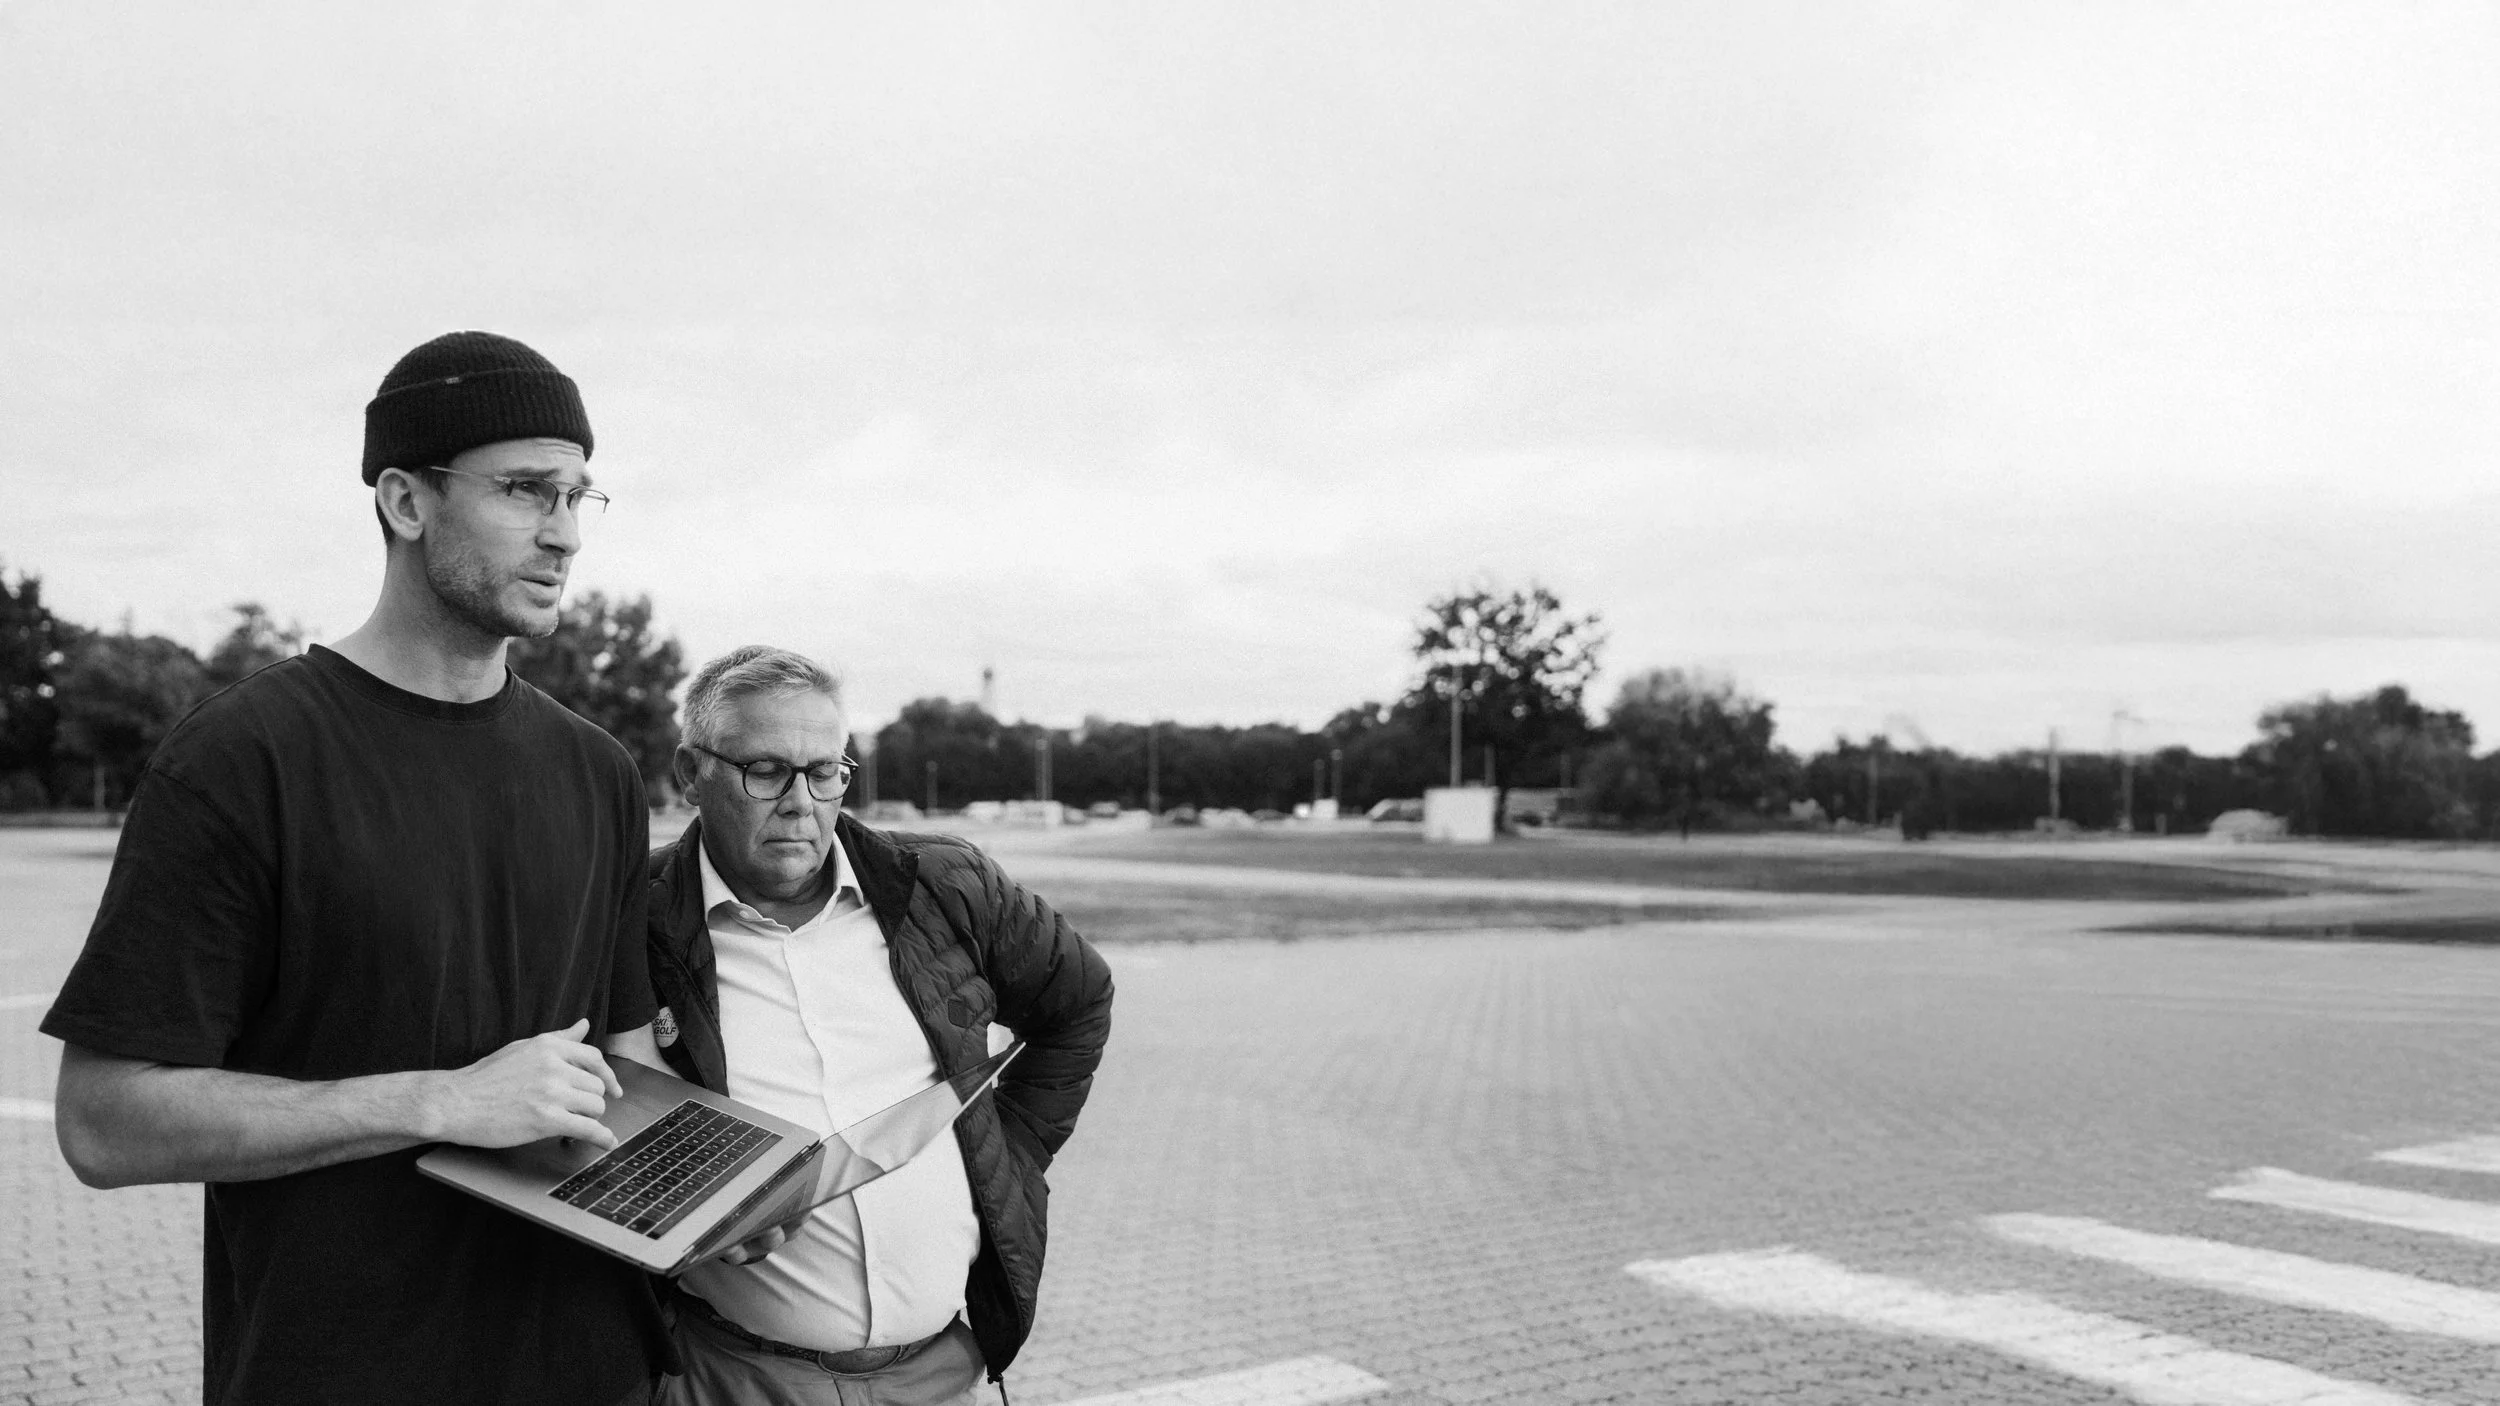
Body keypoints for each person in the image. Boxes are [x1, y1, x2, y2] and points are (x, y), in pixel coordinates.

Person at [42, 331, 674, 1406]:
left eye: (578, 495)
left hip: (591, 1369)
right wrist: (440, 1100)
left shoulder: (598, 770)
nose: (564, 534)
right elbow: (104, 1121)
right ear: (404, 500)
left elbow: (618, 1061)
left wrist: (722, 1195)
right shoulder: (243, 758)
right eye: (526, 490)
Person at [647, 646, 1113, 1406]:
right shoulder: (635, 921)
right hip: (736, 1378)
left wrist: (1005, 1156)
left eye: (825, 771)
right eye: (765, 771)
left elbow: (1078, 1002)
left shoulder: (944, 884)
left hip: (941, 1374)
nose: (802, 802)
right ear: (690, 773)